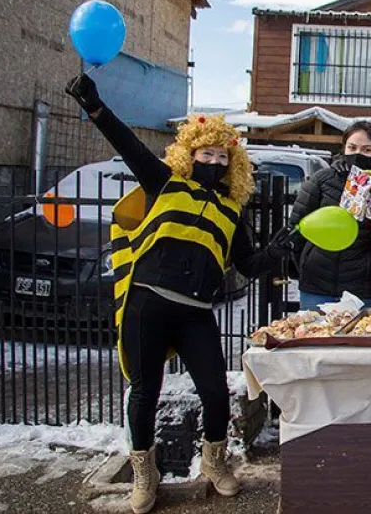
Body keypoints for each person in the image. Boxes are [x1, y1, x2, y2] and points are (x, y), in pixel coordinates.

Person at [66, 74, 289, 514]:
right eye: (206, 153)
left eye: (222, 156)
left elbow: (247, 266)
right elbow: (129, 144)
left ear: (232, 165)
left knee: (216, 392)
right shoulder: (166, 183)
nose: (213, 161)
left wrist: (277, 251)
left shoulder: (231, 211)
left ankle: (214, 463)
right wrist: (95, 107)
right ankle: (145, 476)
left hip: (196, 312)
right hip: (149, 302)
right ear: (190, 153)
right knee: (144, 391)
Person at [286, 121, 371, 309]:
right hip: (316, 288)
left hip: (362, 290)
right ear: (343, 148)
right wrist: (306, 265)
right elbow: (297, 228)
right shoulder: (322, 180)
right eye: (352, 147)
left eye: (366, 149)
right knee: (315, 338)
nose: (357, 154)